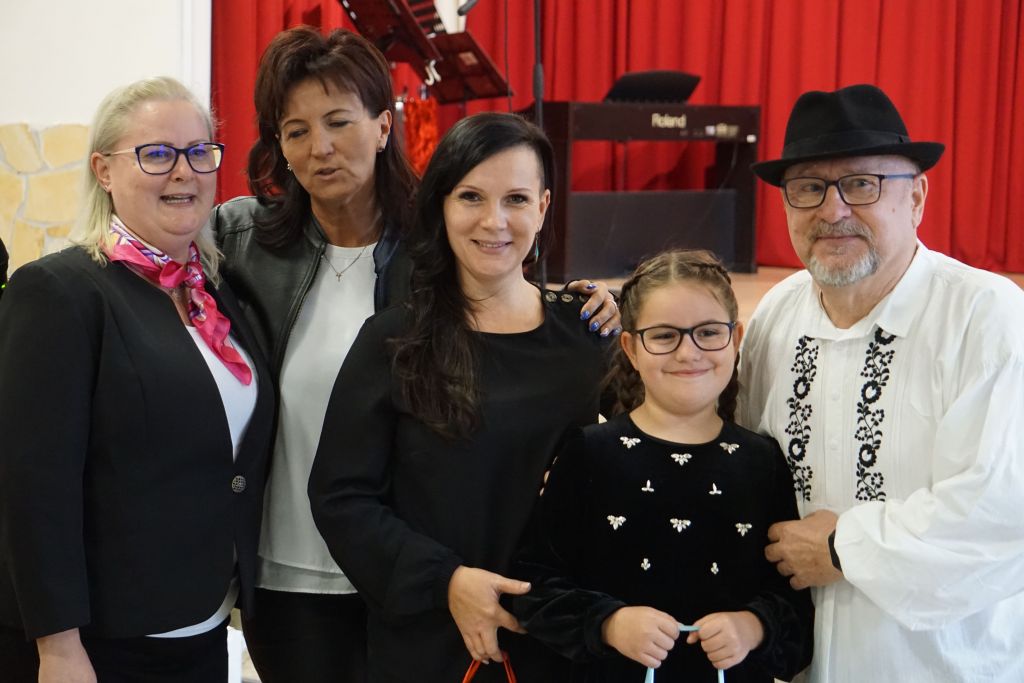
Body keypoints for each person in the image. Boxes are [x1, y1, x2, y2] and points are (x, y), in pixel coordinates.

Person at [208, 26, 620, 683]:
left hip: (430, 586)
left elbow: (505, 293)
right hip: (294, 563)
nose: (320, 147)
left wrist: (592, 308)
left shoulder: (434, 257)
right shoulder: (241, 244)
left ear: (382, 125)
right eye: (296, 130)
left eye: (338, 121)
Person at [308, 112, 611, 682]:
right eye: (471, 196)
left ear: (544, 207)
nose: (495, 221)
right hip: (432, 641)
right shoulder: (393, 339)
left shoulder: (589, 335)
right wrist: (446, 581)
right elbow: (341, 497)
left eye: (516, 199)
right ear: (442, 205)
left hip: (561, 645)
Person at [738, 83, 1024, 682]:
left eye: (861, 184)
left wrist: (843, 548)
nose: (832, 210)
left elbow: (1002, 510)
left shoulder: (985, 317)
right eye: (808, 187)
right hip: (801, 662)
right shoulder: (776, 315)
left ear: (916, 197)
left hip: (942, 665)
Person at [0, 76, 274, 683]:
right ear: (103, 170)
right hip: (102, 642)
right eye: (156, 154)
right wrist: (58, 647)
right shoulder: (60, 292)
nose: (184, 172)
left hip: (203, 625)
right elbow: (33, 489)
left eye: (198, 152)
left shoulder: (214, 292)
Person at [511, 249, 813, 682]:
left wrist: (754, 627)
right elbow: (534, 585)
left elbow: (796, 605)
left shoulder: (762, 461)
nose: (688, 352)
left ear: (736, 338)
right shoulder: (590, 453)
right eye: (665, 335)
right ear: (631, 348)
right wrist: (609, 624)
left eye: (708, 332)